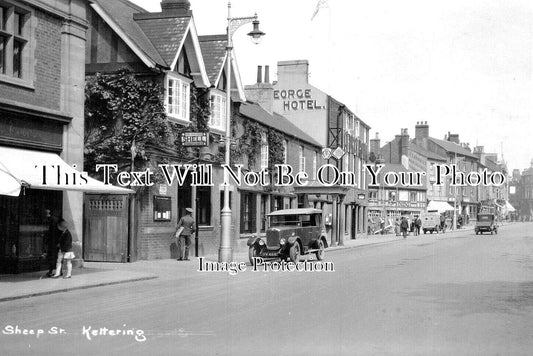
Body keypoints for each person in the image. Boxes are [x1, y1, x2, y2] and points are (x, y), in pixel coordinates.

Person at [44, 209, 60, 277]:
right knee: (56, 257)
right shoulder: (56, 220)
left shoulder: (51, 220)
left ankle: (51, 271)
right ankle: (58, 271)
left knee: (52, 256)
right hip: (55, 241)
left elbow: (50, 231)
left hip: (53, 242)